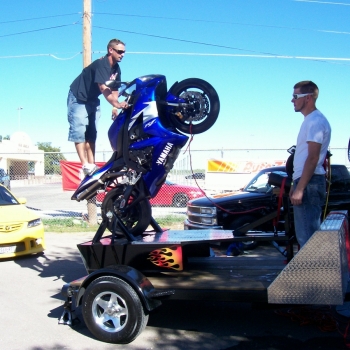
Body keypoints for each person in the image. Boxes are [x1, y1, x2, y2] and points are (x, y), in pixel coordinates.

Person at [67, 38, 129, 176]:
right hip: (79, 97)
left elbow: (114, 89)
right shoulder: (102, 64)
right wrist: (116, 103)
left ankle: (92, 164)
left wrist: (115, 108)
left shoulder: (116, 69)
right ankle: (85, 165)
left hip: (92, 99)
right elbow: (103, 87)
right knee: (79, 130)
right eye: (119, 51)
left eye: (124, 52)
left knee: (92, 132)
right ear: (110, 50)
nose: (122, 55)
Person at [289, 80, 331, 248]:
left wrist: (300, 189)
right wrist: (295, 183)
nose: (292, 100)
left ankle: (315, 274)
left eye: (295, 96)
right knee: (306, 238)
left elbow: (313, 158)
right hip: (306, 182)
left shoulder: (315, 121)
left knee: (308, 241)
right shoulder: (310, 121)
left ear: (307, 98)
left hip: (310, 183)